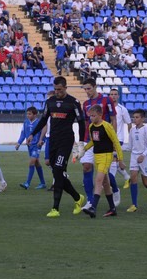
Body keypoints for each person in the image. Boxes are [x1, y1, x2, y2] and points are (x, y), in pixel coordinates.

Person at [30, 77, 87, 217]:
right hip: (53, 140)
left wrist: (80, 142)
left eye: (59, 89)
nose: (57, 92)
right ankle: (77, 198)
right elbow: (44, 119)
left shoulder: (73, 102)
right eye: (55, 89)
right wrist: (33, 134)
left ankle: (55, 208)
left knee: (58, 170)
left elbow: (81, 122)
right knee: (57, 173)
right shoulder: (50, 102)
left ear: (65, 88)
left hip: (66, 140)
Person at [79, 105, 125, 217]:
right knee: (105, 183)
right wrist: (83, 150)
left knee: (98, 180)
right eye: (90, 116)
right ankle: (112, 208)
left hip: (106, 156)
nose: (91, 118)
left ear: (100, 115)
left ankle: (93, 207)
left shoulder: (107, 126)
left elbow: (116, 142)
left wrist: (120, 159)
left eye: (93, 116)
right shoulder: (91, 126)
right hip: (97, 156)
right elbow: (93, 141)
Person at [80, 78, 117, 211]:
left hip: (104, 142)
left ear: (95, 87)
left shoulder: (106, 100)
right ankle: (90, 201)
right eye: (85, 89)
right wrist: (83, 140)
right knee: (86, 167)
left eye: (89, 88)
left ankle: (115, 190)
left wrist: (113, 140)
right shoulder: (85, 104)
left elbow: (113, 120)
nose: (87, 91)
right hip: (90, 140)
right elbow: (86, 123)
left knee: (103, 175)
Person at [15, 106, 47, 190]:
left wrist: (42, 141)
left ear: (35, 114)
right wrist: (19, 143)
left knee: (32, 162)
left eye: (30, 114)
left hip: (37, 146)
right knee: (37, 163)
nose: (28, 115)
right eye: (27, 114)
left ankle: (27, 183)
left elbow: (43, 133)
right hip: (29, 146)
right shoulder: (26, 122)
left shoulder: (39, 123)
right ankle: (43, 183)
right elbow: (23, 133)